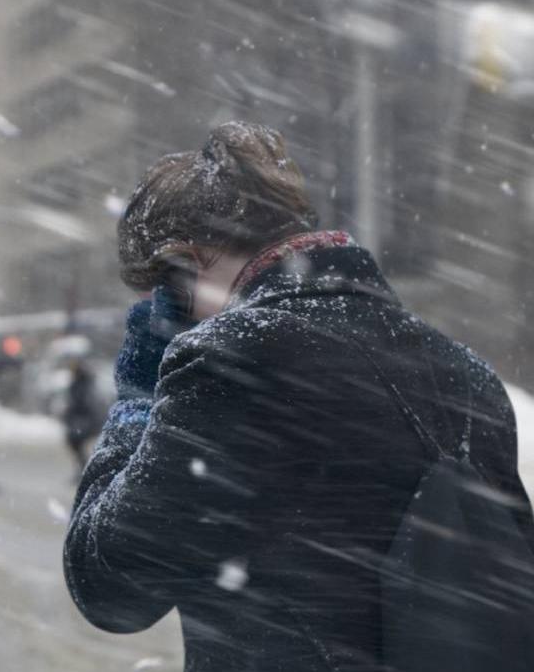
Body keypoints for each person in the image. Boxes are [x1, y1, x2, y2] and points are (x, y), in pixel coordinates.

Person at [63, 122, 534, 671]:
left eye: (163, 291)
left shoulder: (235, 358)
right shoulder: (464, 373)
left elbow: (109, 587)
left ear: (186, 263)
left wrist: (138, 397)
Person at [62, 360, 100, 479]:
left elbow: (82, 403)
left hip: (81, 421)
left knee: (76, 445)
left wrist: (71, 411)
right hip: (79, 420)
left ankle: (86, 471)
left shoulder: (81, 385)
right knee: (77, 446)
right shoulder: (83, 383)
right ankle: (85, 471)